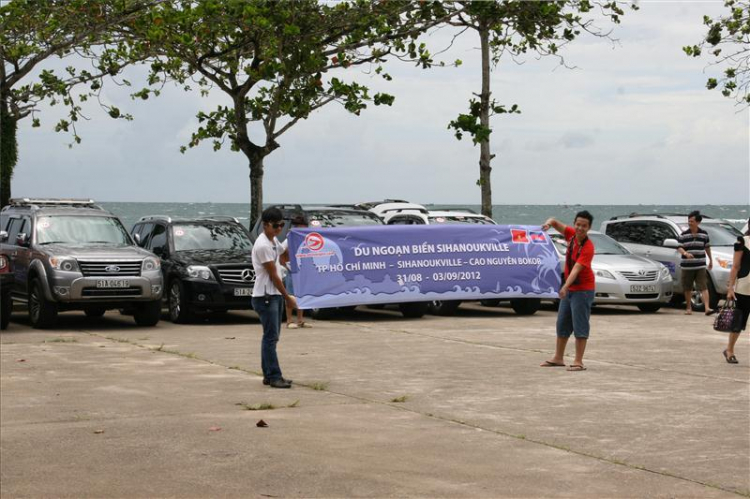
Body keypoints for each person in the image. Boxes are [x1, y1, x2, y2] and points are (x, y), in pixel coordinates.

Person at [540, 211, 596, 372]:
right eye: (578, 224)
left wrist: (565, 286)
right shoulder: (571, 235)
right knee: (562, 323)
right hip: (570, 289)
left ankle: (578, 361)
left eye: (584, 226)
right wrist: (549, 223)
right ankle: (558, 357)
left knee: (580, 325)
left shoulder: (588, 247)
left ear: (589, 228)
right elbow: (555, 222)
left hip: (583, 290)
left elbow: (577, 269)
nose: (580, 228)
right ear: (574, 224)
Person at [251, 207, 296, 388]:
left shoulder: (272, 240)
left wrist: (292, 236)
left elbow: (281, 250)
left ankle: (269, 375)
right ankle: (275, 376)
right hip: (266, 296)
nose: (279, 228)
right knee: (270, 338)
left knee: (271, 337)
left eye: (282, 225)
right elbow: (273, 275)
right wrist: (287, 297)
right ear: (265, 225)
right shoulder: (262, 245)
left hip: (273, 295)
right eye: (276, 225)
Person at [724, 218, 750, 364]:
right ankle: (730, 350)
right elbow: (735, 266)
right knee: (738, 323)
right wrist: (730, 288)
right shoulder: (742, 241)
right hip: (743, 288)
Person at [678, 210, 714, 315]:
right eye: (689, 221)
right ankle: (688, 308)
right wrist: (685, 254)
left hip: (700, 265)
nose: (690, 223)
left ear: (698, 222)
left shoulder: (704, 234)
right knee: (687, 287)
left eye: (692, 221)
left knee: (703, 286)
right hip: (687, 266)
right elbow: (679, 247)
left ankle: (707, 308)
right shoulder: (684, 234)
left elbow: (707, 247)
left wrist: (711, 260)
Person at [279, 215, 311, 329]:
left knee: (302, 295)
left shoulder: (307, 240)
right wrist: (286, 267)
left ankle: (300, 320)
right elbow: (280, 254)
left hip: (303, 272)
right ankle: (289, 320)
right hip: (292, 272)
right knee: (290, 296)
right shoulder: (289, 240)